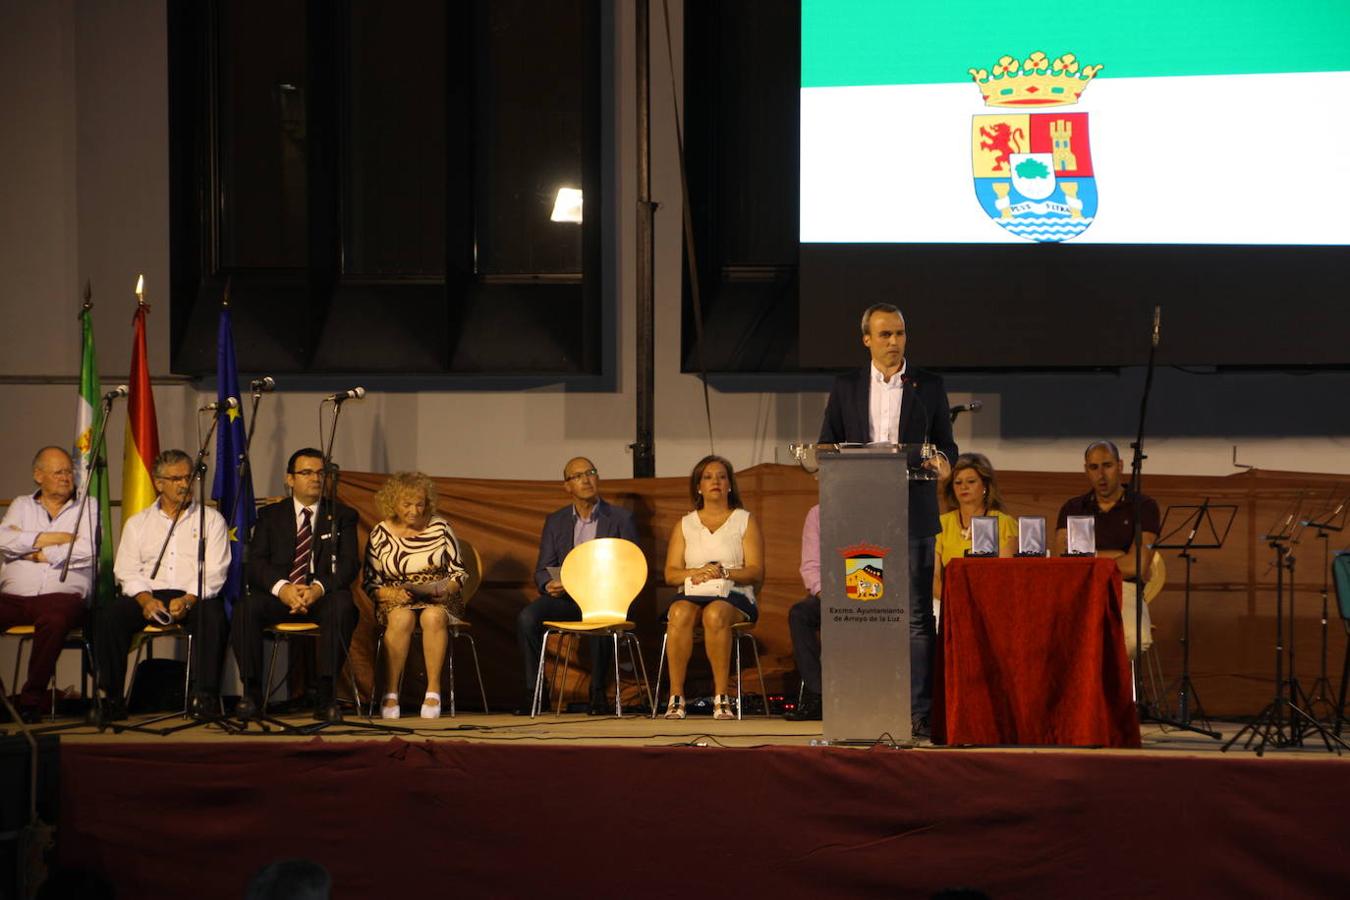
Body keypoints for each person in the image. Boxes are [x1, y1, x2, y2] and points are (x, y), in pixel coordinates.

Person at [816, 303, 958, 735]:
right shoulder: (846, 387)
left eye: (899, 334)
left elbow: (948, 447)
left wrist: (943, 462)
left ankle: (918, 712)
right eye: (885, 335)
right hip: (863, 520)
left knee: (916, 617)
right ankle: (865, 705)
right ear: (866, 340)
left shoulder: (928, 386)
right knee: (866, 611)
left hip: (913, 516)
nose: (894, 342)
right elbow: (827, 445)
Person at [96, 449, 230, 719]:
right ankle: (111, 698)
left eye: (189, 477)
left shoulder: (211, 520)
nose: (185, 484)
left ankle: (204, 697)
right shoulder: (138, 523)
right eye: (177, 478)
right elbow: (125, 569)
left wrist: (189, 599)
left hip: (193, 595)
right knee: (110, 615)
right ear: (159, 483)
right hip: (149, 596)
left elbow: (216, 570)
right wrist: (145, 600)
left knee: (214, 616)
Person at [231, 448, 359, 720]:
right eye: (306, 472)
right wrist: (284, 589)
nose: (315, 478)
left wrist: (317, 589)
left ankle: (325, 697)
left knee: (343, 605)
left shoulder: (342, 516)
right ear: (290, 479)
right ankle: (251, 694)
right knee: (246, 608)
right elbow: (256, 564)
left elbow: (349, 565)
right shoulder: (270, 516)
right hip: (280, 596)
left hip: (321, 597)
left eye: (320, 473)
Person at [515, 457, 639, 715]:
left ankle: (598, 695)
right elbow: (542, 568)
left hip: (605, 599)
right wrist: (548, 584)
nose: (586, 479)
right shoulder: (556, 520)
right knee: (528, 617)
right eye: (578, 475)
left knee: (600, 618)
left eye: (591, 472)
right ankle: (536, 693)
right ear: (567, 486)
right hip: (566, 599)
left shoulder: (620, 518)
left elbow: (632, 565)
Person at [661, 455, 764, 720]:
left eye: (721, 476)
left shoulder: (744, 520)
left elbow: (755, 570)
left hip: (735, 594)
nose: (715, 481)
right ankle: (676, 697)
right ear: (698, 487)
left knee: (715, 614)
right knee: (679, 612)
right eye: (707, 477)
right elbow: (671, 574)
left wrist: (723, 571)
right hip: (694, 591)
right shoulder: (685, 524)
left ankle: (721, 697)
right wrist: (697, 572)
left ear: (730, 484)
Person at [362, 471, 467, 719]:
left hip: (439, 598)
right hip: (395, 599)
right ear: (393, 503)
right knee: (401, 619)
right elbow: (369, 583)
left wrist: (444, 590)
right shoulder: (380, 533)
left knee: (432, 617)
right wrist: (390, 594)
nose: (414, 510)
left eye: (420, 504)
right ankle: (390, 693)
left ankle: (433, 691)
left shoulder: (441, 527)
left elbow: (459, 574)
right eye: (406, 504)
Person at [0, 447, 94, 722]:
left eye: (68, 471)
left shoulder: (87, 506)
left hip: (61, 597)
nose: (66, 477)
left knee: (54, 620)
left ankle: (31, 700)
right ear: (38, 476)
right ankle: (3, 704)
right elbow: (3, 540)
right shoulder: (21, 505)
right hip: (15, 597)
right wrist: (55, 538)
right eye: (58, 472)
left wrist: (34, 551)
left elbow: (86, 549)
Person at [1055, 439, 1160, 656]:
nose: (1101, 475)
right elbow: (1063, 562)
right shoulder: (1072, 507)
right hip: (1081, 589)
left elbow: (1137, 566)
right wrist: (1118, 555)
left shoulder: (1144, 507)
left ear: (1120, 466)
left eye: (1107, 466)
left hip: (1124, 588)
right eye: (1094, 468)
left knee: (1133, 640)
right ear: (1086, 470)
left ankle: (1112, 687)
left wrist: (1088, 558)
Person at [933, 452, 1018, 623]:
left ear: (985, 486)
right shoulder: (941, 523)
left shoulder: (1004, 523)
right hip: (950, 602)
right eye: (958, 482)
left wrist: (979, 604)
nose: (964, 487)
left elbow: (1005, 576)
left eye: (971, 482)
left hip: (993, 604)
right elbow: (932, 577)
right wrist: (953, 601)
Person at [785, 503, 822, 721]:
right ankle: (817, 695)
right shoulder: (818, 513)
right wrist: (824, 593)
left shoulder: (875, 507)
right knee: (799, 614)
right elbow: (810, 565)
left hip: (873, 593)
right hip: (828, 594)